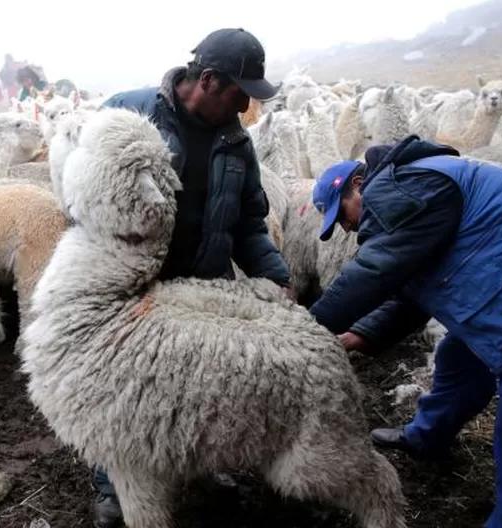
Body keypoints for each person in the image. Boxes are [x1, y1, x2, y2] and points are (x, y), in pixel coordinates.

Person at [92, 27, 294, 527]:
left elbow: (250, 222)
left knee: (197, 389)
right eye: (241, 92)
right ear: (209, 80)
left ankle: (198, 468)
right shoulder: (128, 115)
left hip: (203, 284)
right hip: (135, 286)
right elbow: (89, 200)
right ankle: (114, 486)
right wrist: (110, 282)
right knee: (119, 391)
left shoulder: (236, 143)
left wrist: (275, 276)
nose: (248, 104)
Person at [308, 136, 502, 528]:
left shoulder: (396, 185)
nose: (348, 227)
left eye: (342, 215)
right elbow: (409, 296)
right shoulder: (414, 201)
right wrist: (358, 336)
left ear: (358, 184)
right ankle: (427, 436)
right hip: (500, 274)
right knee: (459, 356)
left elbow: (377, 271)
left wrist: (303, 329)